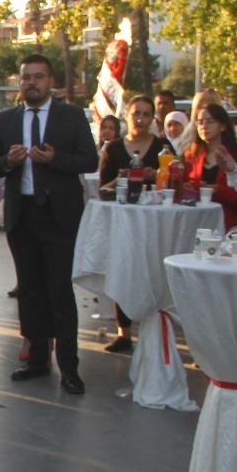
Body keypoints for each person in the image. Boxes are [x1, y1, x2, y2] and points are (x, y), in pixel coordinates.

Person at [0, 55, 97, 393]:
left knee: (59, 291)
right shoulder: (7, 120)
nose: (31, 83)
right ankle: (36, 359)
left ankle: (70, 368)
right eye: (25, 78)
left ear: (51, 83)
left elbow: (90, 159)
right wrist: (9, 160)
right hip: (22, 216)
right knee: (30, 291)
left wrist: (55, 160)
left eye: (38, 77)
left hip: (59, 217)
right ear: (19, 83)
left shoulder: (71, 116)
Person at [98, 95, 174, 351]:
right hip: (124, 223)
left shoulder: (163, 147)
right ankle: (123, 332)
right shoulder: (114, 148)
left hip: (156, 224)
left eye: (146, 114)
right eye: (135, 113)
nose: (140, 119)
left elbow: (174, 183)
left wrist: (156, 177)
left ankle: (157, 329)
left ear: (152, 119)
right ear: (126, 116)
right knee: (123, 271)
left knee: (155, 272)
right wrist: (121, 178)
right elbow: (102, 190)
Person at [184, 102, 237, 231]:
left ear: (223, 126)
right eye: (200, 122)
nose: (204, 126)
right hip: (196, 224)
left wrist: (218, 192)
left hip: (228, 224)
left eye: (210, 121)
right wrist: (187, 189)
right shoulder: (190, 156)